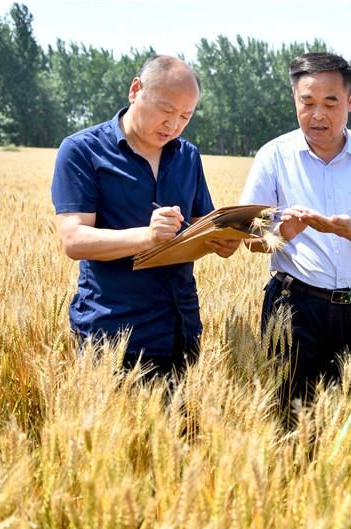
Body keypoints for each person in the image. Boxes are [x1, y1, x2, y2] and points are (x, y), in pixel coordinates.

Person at [51, 55, 239, 379]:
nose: (173, 125)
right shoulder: (82, 151)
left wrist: (222, 239)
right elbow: (74, 239)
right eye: (166, 111)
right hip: (111, 336)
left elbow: (201, 223)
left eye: (185, 116)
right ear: (135, 90)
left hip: (181, 329)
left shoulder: (187, 155)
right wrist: (148, 236)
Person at [239, 52, 351, 417]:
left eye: (330, 103)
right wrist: (284, 231)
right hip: (292, 305)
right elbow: (250, 240)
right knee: (287, 414)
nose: (318, 115)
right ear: (294, 100)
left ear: (350, 101)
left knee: (340, 414)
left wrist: (346, 230)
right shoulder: (274, 156)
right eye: (307, 102)